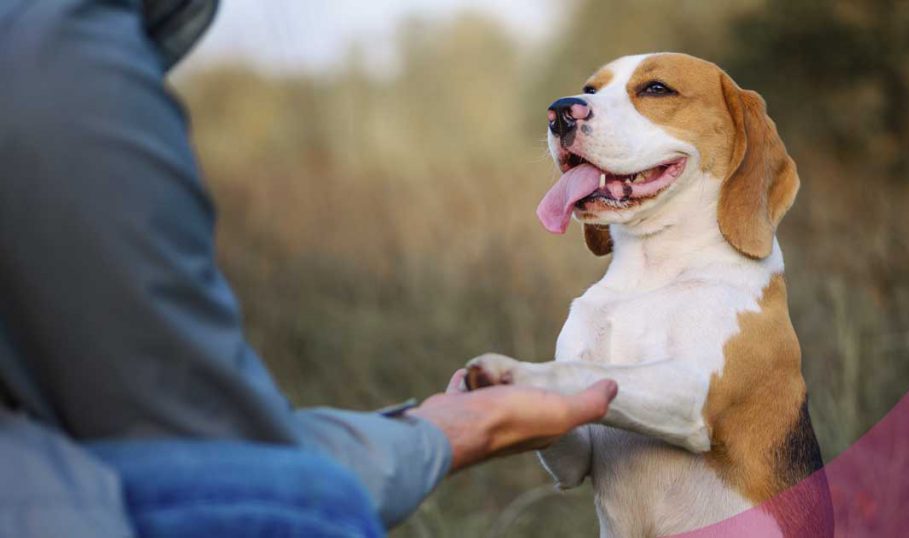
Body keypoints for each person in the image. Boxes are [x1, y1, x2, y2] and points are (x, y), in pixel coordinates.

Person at [0, 1, 618, 537]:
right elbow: (226, 461)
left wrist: (433, 431)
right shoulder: (55, 51)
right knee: (295, 510)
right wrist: (448, 436)